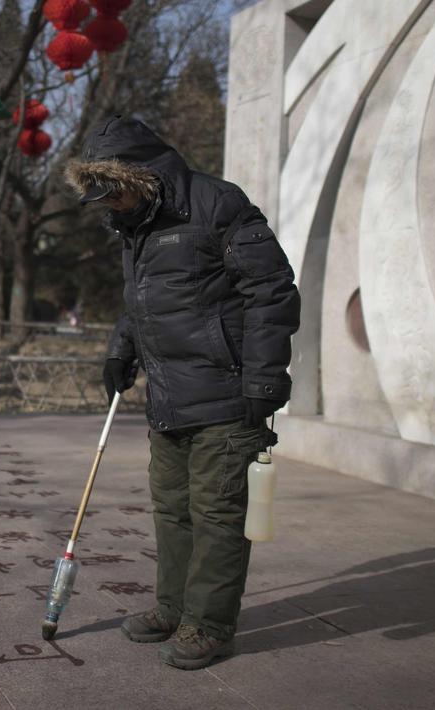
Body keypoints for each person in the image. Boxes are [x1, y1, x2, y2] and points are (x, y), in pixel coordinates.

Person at [65, 115, 300, 670]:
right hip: (169, 396)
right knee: (172, 511)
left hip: (226, 392)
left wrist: (265, 378)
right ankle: (173, 607)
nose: (109, 206)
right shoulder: (136, 226)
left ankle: (210, 625)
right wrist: (121, 348)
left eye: (113, 193)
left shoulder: (217, 204)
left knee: (217, 512)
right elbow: (144, 302)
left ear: (139, 175)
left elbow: (272, 290)